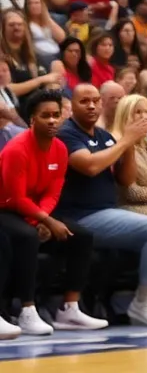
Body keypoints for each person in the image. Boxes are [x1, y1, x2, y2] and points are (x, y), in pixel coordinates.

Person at [0, 90, 108, 336]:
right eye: (45, 116)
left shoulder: (60, 149)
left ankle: (69, 308)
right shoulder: (16, 149)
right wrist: (44, 220)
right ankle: (26, 310)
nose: (51, 120)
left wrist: (44, 219)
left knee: (80, 236)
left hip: (35, 212)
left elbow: (53, 191)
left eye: (56, 115)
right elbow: (16, 199)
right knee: (26, 236)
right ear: (31, 120)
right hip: (6, 209)